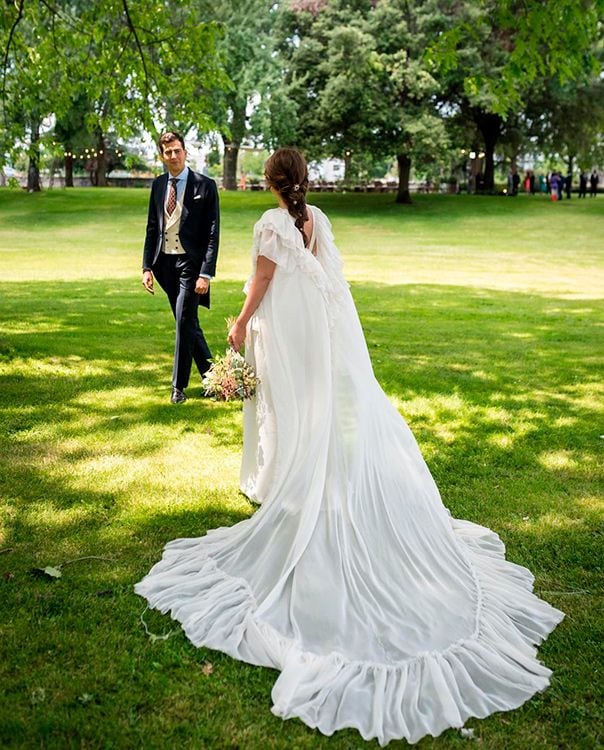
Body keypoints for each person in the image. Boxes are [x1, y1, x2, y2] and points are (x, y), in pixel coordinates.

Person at [135, 148, 564, 746]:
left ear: (272, 181)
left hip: (285, 328)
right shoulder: (318, 219)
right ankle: (301, 482)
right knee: (313, 410)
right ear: (303, 181)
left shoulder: (269, 223)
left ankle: (292, 488)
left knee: (288, 410)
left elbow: (262, 281)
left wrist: (237, 326)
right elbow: (329, 278)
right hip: (318, 327)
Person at [141, 131, 220, 404]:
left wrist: (206, 272)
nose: (173, 156)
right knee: (188, 322)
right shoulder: (158, 185)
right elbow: (153, 227)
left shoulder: (205, 186)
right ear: (162, 156)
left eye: (177, 150)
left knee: (184, 322)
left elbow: (213, 232)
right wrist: (146, 267)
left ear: (185, 152)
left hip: (191, 264)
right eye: (168, 152)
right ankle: (213, 376)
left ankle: (178, 387)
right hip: (164, 264)